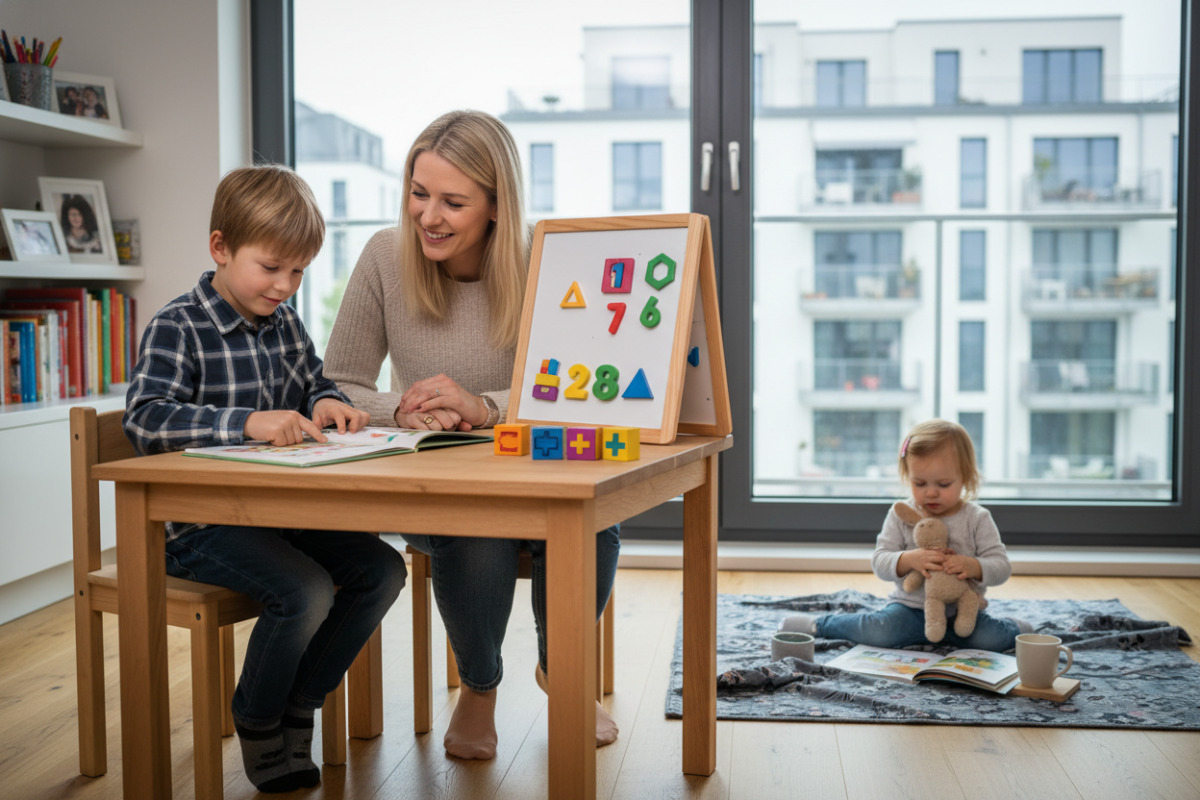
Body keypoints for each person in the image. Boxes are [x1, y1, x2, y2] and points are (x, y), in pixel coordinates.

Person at [323, 109, 621, 761]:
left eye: (453, 202)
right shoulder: (383, 256)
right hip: (439, 486)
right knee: (475, 529)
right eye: (418, 193)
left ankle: (562, 674)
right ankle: (479, 688)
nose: (428, 216)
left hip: (539, 477)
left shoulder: (547, 259)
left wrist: (484, 408)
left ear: (495, 205)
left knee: (596, 521)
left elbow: (580, 390)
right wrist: (400, 407)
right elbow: (337, 384)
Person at [123, 164, 406, 793]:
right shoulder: (178, 326)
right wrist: (247, 422)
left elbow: (315, 385)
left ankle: (298, 703)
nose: (286, 285)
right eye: (271, 267)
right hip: (199, 527)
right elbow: (145, 418)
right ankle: (257, 718)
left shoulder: (285, 326)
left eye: (299, 271)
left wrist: (329, 402)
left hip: (279, 515)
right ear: (221, 248)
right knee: (305, 591)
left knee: (383, 571)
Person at [781, 419, 1028, 651]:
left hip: (963, 612)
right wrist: (908, 560)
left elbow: (1001, 566)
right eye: (919, 484)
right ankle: (820, 625)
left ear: (966, 478)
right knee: (880, 632)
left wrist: (973, 566)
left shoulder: (977, 518)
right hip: (910, 611)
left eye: (943, 484)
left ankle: (1014, 629)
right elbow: (879, 561)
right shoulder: (902, 514)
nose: (931, 493)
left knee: (990, 639)